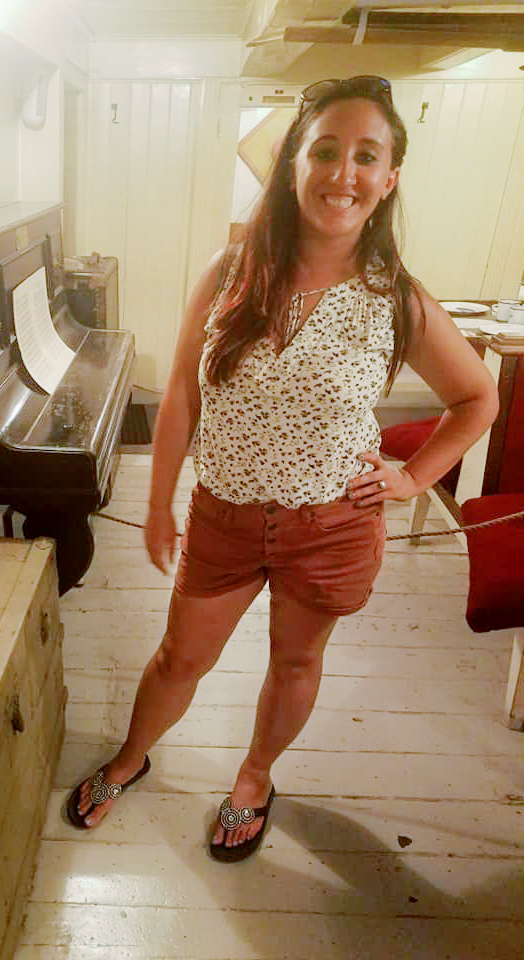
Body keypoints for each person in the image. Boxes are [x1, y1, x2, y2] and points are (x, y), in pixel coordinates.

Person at [66, 75, 499, 862]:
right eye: (325, 150)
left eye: (366, 156)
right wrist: (160, 501)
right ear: (294, 163)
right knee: (179, 658)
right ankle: (132, 757)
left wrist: (410, 477)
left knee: (296, 660)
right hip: (224, 517)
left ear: (389, 177)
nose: (344, 173)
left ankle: (256, 777)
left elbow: (477, 399)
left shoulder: (395, 297)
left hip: (330, 527)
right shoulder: (231, 271)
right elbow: (179, 404)